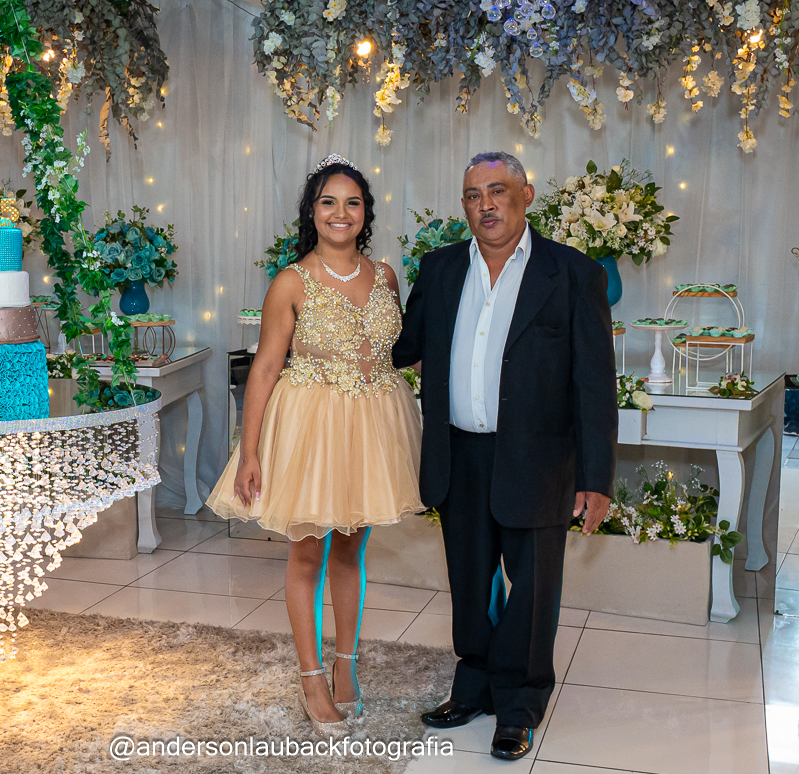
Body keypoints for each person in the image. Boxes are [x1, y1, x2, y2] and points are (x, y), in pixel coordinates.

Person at [392, 151, 617, 761]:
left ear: (526, 195)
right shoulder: (439, 269)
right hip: (458, 454)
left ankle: (518, 705)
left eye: (497, 190)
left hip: (538, 460)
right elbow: (402, 347)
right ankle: (473, 686)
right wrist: (356, 293)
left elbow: (595, 384)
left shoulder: (572, 273)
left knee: (532, 590)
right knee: (468, 582)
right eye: (473, 195)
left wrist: (596, 477)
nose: (485, 205)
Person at [207, 154, 424, 738]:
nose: (340, 213)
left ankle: (345, 665)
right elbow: (264, 369)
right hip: (311, 427)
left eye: (352, 202)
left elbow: (399, 351)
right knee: (307, 557)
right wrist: (249, 452)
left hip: (373, 425)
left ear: (365, 213)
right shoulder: (291, 282)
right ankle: (310, 677)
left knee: (353, 550)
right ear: (312, 211)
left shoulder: (386, 277)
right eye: (329, 202)